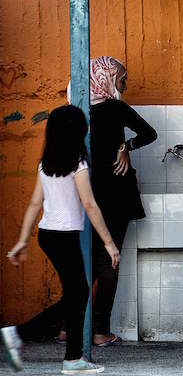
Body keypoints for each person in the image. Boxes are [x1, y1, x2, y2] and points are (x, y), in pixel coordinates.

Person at [3, 105, 120, 374]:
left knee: (76, 295)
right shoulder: (78, 163)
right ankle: (60, 353)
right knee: (78, 294)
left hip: (48, 236)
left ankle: (69, 356)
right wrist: (109, 243)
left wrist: (22, 240)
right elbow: (89, 204)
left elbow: (34, 204)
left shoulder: (46, 164)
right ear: (78, 131)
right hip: (64, 237)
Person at [87, 56, 156, 346]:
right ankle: (101, 330)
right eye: (122, 78)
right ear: (108, 77)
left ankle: (69, 326)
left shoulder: (78, 111)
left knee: (87, 261)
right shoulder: (116, 109)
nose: (125, 84)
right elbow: (150, 134)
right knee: (110, 260)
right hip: (116, 194)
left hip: (88, 193)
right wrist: (125, 147)